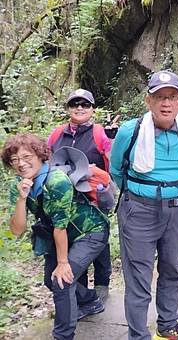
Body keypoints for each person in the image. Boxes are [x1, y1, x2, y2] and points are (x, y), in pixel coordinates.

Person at [110, 70, 178, 340]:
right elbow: (116, 170)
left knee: (172, 268)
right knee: (139, 277)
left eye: (172, 97)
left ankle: (168, 325)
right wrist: (142, 193)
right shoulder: (130, 131)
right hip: (139, 210)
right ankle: (138, 336)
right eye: (159, 97)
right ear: (148, 101)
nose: (166, 103)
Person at [3, 133, 109, 340]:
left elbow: (60, 226)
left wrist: (63, 263)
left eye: (26, 157)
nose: (21, 164)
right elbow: (17, 230)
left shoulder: (56, 180)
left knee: (61, 280)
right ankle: (90, 301)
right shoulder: (20, 184)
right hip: (60, 235)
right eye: (14, 160)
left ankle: (62, 335)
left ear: (40, 155)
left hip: (89, 232)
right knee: (50, 280)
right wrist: (22, 199)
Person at [48, 88, 118, 301]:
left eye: (85, 104)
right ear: (68, 108)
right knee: (72, 240)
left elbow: (113, 161)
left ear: (92, 109)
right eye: (75, 104)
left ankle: (101, 286)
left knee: (99, 241)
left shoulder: (99, 133)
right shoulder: (57, 134)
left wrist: (112, 137)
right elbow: (49, 160)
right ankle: (80, 289)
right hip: (67, 199)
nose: (79, 108)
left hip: (95, 196)